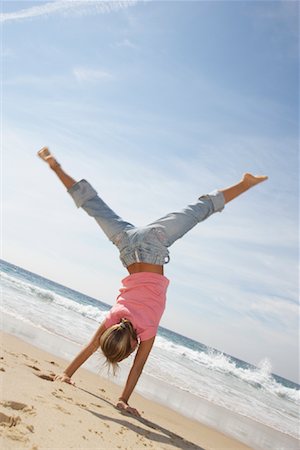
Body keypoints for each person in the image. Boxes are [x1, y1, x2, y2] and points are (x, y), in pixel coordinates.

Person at [37, 147, 268, 416]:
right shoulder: (114, 318)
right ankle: (55, 167)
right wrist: (66, 373)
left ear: (132, 346)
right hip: (125, 243)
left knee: (198, 211)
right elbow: (91, 346)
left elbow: (138, 367)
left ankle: (245, 184)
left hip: (154, 245)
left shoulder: (146, 332)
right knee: (93, 205)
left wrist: (123, 399)